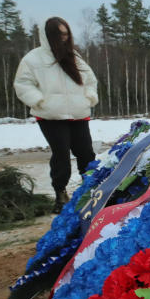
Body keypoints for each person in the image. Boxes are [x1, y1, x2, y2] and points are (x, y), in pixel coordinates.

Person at [14, 17, 98, 212]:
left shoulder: (73, 56)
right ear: (48, 35)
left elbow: (90, 80)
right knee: (61, 156)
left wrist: (89, 97)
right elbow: (22, 84)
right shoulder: (33, 59)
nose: (64, 37)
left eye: (66, 33)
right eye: (60, 33)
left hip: (78, 114)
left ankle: (91, 191)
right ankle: (60, 194)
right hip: (51, 117)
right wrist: (39, 101)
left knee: (86, 153)